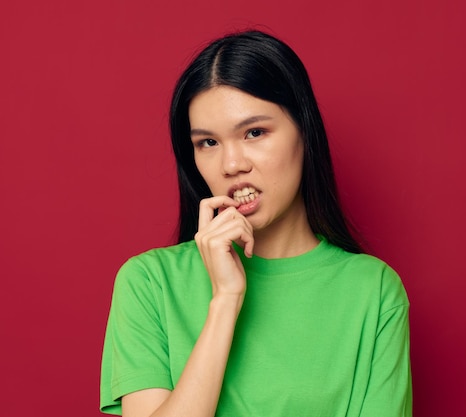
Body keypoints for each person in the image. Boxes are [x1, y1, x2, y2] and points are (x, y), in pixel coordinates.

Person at [100, 30, 412, 417]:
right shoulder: (149, 281)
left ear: (304, 132)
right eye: (208, 143)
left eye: (255, 133)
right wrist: (225, 302)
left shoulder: (373, 291)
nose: (232, 166)